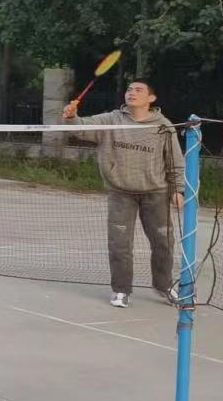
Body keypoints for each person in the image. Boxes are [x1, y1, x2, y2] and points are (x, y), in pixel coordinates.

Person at [64, 78, 184, 309]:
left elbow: (174, 161)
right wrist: (71, 116)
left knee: (163, 242)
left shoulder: (163, 126)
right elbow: (81, 127)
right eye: (129, 89)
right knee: (119, 244)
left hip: (156, 193)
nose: (132, 92)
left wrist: (177, 189)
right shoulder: (111, 119)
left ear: (151, 98)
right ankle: (121, 290)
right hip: (120, 193)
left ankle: (164, 285)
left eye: (138, 90)